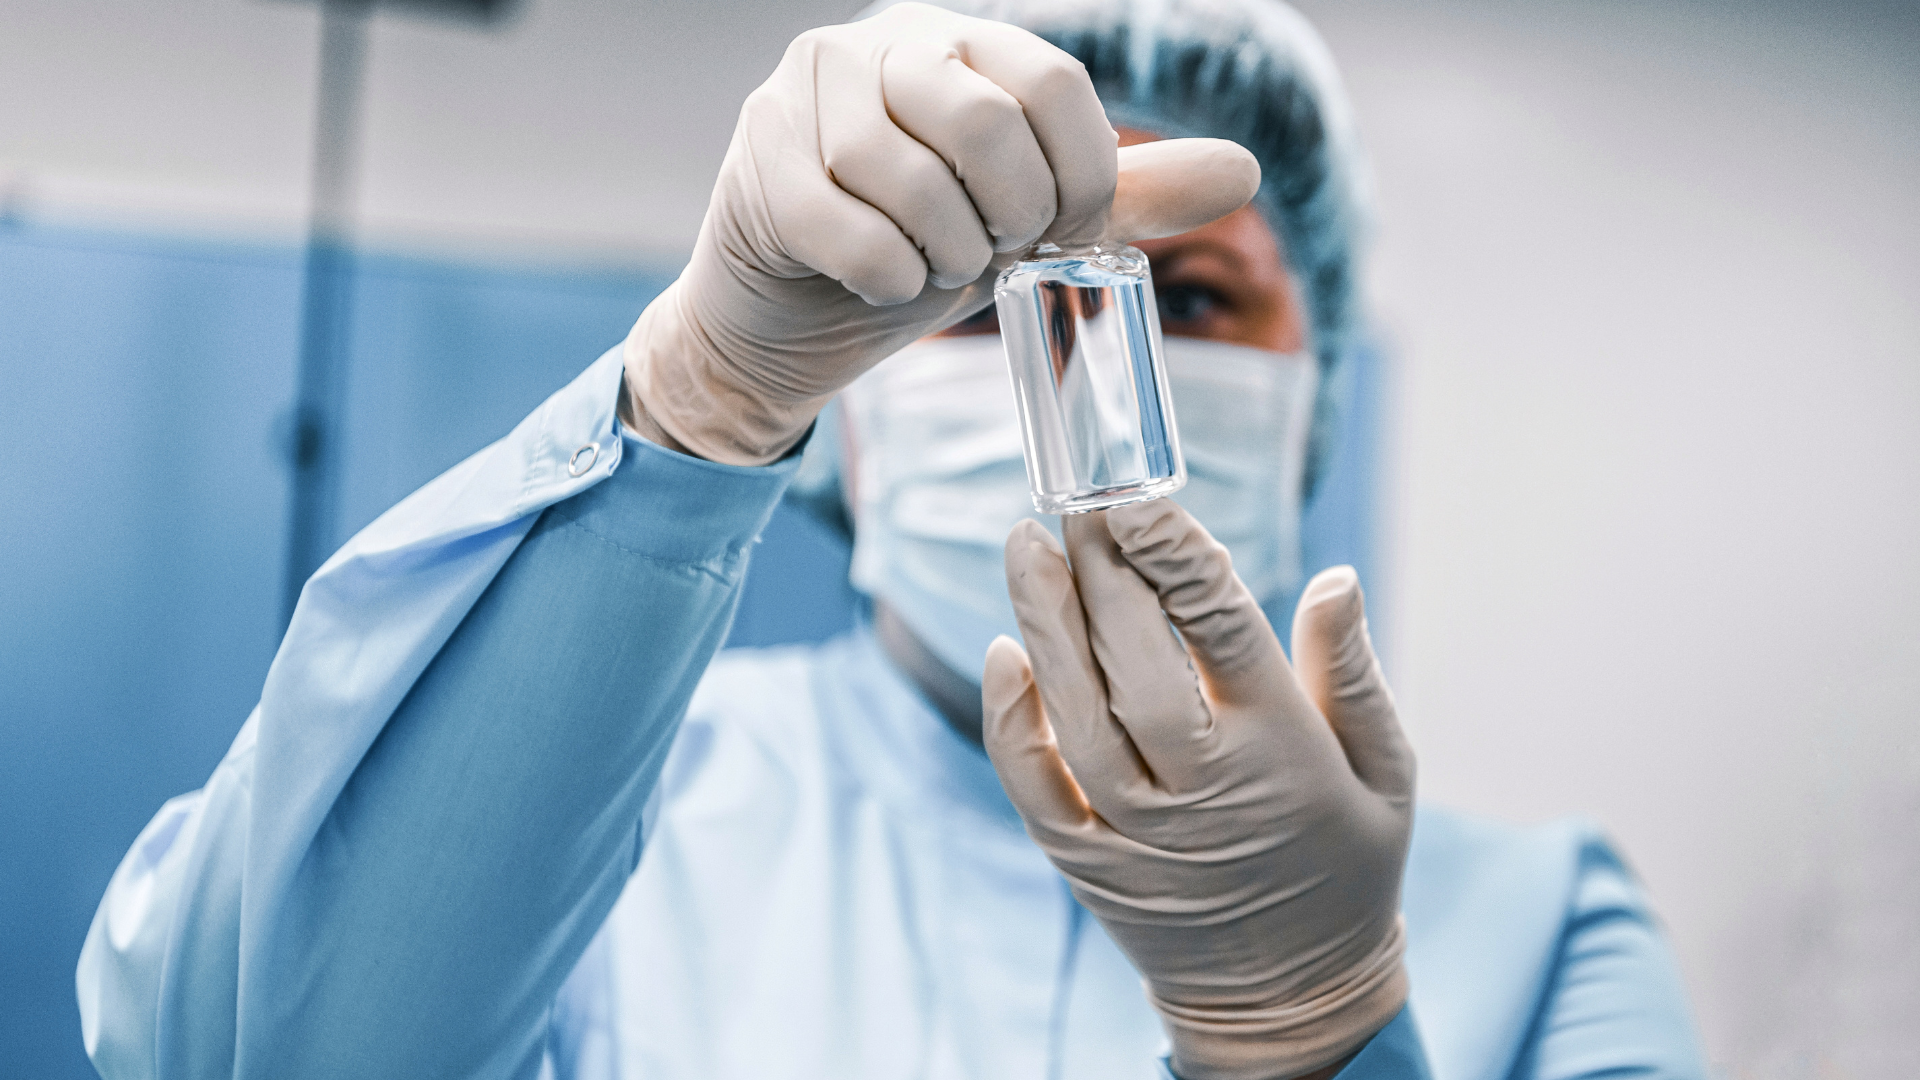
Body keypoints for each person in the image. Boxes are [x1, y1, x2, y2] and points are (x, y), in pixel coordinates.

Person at [76, 2, 1706, 1078]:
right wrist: (700, 395)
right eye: (959, 309)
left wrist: (1321, 1022)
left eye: (1190, 297)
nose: (1057, 364)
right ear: (843, 415)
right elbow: (234, 1045)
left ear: (1319, 388)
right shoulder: (622, 825)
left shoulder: (1537, 923)